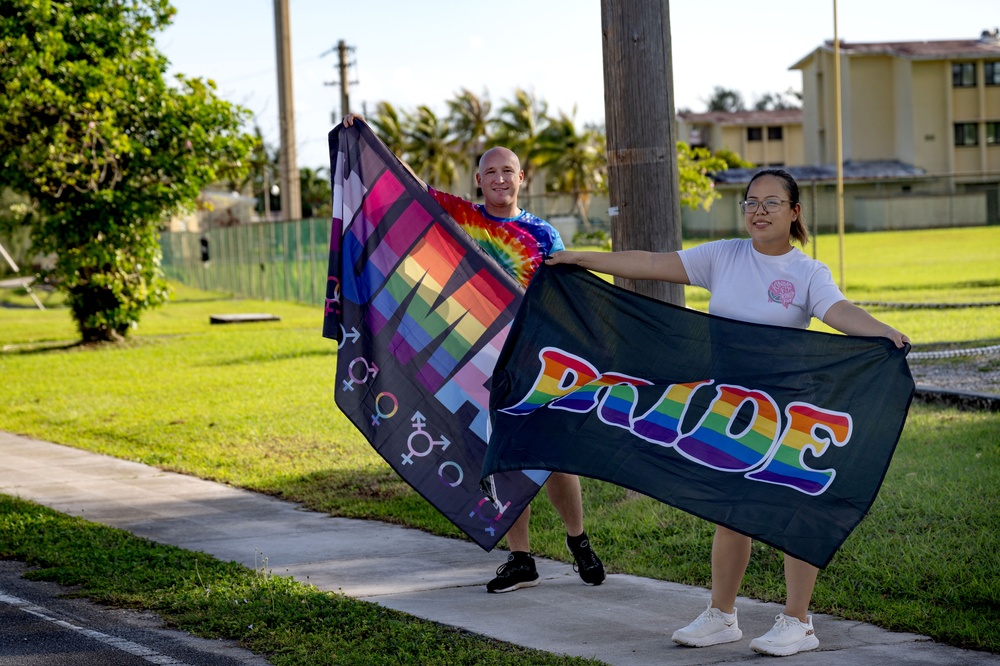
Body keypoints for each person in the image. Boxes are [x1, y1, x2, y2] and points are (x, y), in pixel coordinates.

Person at [545, 168, 908, 657]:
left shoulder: (807, 272)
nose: (758, 211)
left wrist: (881, 330)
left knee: (790, 508)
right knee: (730, 509)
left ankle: (798, 620)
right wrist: (579, 257)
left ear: (795, 212)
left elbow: (838, 311)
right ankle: (722, 615)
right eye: (751, 202)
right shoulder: (723, 256)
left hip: (785, 410)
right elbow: (650, 262)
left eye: (772, 203)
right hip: (730, 407)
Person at [342, 113, 606, 594]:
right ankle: (521, 558)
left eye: (509, 171)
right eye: (491, 172)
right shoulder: (462, 218)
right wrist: (367, 137)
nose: (500, 179)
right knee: (502, 458)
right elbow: (407, 185)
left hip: (532, 359)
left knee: (553, 457)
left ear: (521, 178)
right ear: (478, 181)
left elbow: (564, 295)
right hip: (477, 359)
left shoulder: (544, 234)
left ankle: (578, 540)